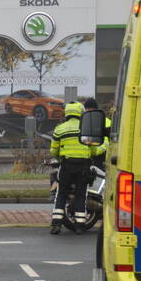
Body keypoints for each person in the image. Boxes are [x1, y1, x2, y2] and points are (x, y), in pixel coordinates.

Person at [49, 101, 94, 234]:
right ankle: (80, 225)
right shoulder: (86, 128)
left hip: (67, 165)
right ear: (80, 112)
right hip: (83, 166)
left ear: (67, 113)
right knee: (81, 195)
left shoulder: (60, 128)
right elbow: (94, 149)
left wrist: (59, 156)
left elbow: (53, 150)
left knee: (61, 193)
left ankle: (56, 224)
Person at [83, 97, 112, 166]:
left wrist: (96, 151)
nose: (87, 110)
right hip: (88, 156)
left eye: (90, 108)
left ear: (95, 109)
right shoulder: (85, 121)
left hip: (101, 157)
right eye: (86, 108)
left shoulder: (106, 122)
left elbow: (106, 142)